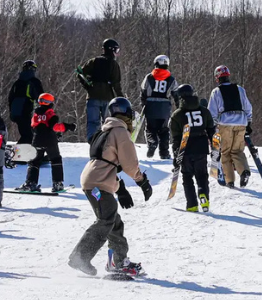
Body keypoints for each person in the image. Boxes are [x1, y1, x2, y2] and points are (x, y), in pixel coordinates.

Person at [69, 97, 153, 277]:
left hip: (95, 180)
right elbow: (129, 164)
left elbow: (106, 161)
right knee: (106, 218)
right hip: (97, 183)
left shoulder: (104, 131)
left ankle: (117, 260)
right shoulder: (120, 132)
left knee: (113, 220)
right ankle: (80, 256)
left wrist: (120, 188)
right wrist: (142, 181)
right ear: (128, 115)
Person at [17, 93, 76, 193]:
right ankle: (57, 184)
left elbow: (33, 127)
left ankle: (30, 183)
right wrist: (67, 126)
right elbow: (54, 127)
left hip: (37, 140)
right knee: (56, 160)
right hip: (50, 140)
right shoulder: (50, 114)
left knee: (34, 162)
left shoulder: (35, 115)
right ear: (49, 103)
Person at [169, 84, 214, 212]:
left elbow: (176, 138)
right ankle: (203, 195)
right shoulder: (204, 111)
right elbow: (211, 130)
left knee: (187, 177)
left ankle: (192, 205)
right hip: (201, 148)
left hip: (185, 149)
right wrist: (215, 149)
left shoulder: (177, 115)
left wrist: (176, 154)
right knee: (202, 176)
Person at [208, 65, 253, 188]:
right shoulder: (240, 89)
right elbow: (248, 107)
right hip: (241, 123)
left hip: (225, 124)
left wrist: (212, 128)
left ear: (217, 78)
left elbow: (212, 112)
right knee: (237, 151)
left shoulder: (216, 92)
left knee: (226, 153)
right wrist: (249, 122)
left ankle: (230, 181)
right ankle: (244, 171)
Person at [77, 38, 124, 142]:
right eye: (116, 50)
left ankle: (92, 140)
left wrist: (87, 85)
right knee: (108, 121)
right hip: (107, 98)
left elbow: (80, 73)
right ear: (111, 50)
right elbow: (117, 84)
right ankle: (107, 141)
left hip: (92, 96)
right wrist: (121, 99)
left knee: (93, 122)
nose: (117, 53)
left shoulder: (94, 61)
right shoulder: (114, 64)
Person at [140, 54, 179, 159]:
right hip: (164, 108)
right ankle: (164, 152)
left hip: (151, 106)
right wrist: (179, 106)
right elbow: (176, 94)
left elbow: (143, 90)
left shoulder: (149, 77)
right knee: (164, 130)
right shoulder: (171, 78)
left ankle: (152, 142)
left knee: (150, 129)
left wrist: (144, 104)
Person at [8, 60, 44, 144]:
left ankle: (26, 153)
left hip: (15, 112)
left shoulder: (17, 83)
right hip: (26, 111)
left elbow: (10, 97)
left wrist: (12, 111)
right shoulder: (34, 81)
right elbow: (41, 97)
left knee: (27, 134)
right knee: (28, 136)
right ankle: (17, 153)